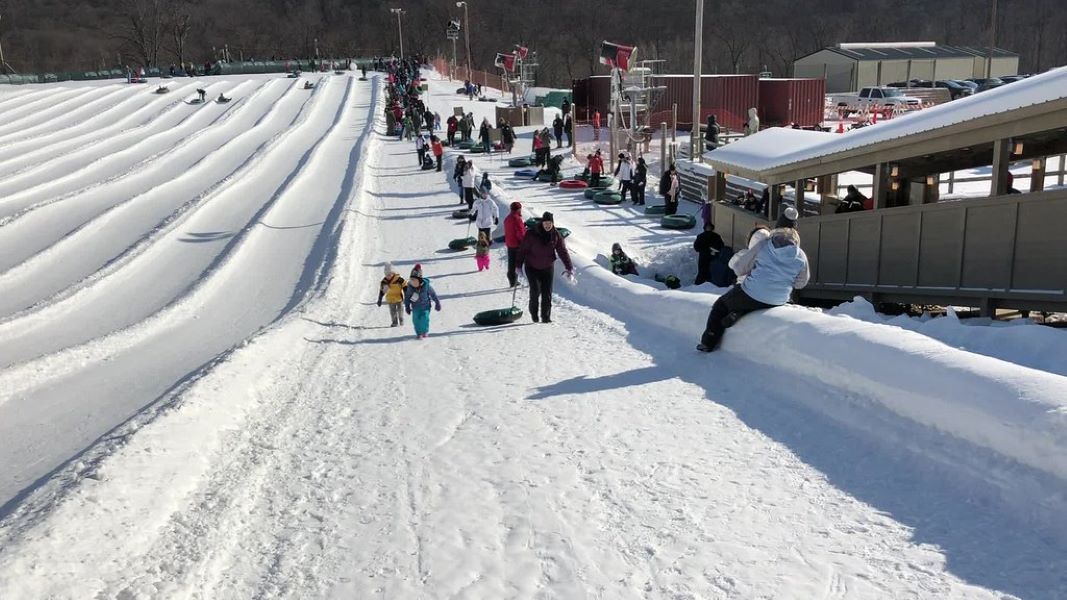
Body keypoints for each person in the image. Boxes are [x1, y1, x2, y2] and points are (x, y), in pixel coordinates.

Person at [697, 206, 808, 353]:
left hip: (753, 294)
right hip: (779, 299)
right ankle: (738, 312)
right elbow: (801, 283)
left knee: (721, 304)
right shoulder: (800, 255)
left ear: (777, 227)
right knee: (753, 299)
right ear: (796, 233)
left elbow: (739, 268)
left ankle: (708, 342)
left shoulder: (764, 245)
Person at [516, 212, 574, 323]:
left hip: (547, 267)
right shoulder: (532, 234)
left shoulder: (556, 235)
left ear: (553, 223)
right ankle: (534, 314)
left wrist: (569, 268)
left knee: (547, 293)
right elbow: (523, 250)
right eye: (546, 223)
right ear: (542, 223)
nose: (547, 225)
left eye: (550, 223)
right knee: (535, 291)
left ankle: (546, 317)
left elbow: (562, 251)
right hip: (532, 267)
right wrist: (518, 266)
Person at [404, 274, 442, 340]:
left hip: (426, 306)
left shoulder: (426, 286)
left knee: (424, 318)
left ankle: (425, 331)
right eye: (412, 281)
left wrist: (437, 302)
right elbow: (407, 297)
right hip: (415, 307)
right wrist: (407, 306)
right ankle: (419, 333)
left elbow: (433, 294)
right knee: (416, 320)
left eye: (415, 281)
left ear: (419, 280)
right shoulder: (410, 288)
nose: (413, 283)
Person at [504, 201, 527, 287]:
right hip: (517, 244)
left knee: (511, 262)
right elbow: (520, 233)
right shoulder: (517, 219)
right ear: (519, 209)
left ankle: (512, 279)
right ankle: (533, 279)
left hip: (510, 243)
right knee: (525, 262)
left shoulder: (507, 218)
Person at [377, 263, 406, 327]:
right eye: (387, 275)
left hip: (399, 298)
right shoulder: (384, 282)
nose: (388, 276)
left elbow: (405, 286)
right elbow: (382, 291)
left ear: (393, 273)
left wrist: (406, 294)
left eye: (390, 274)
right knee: (393, 312)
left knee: (400, 310)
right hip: (390, 299)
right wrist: (379, 299)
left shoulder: (399, 279)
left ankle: (401, 320)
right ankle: (394, 322)